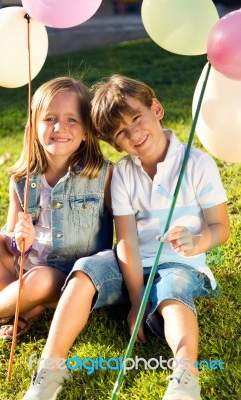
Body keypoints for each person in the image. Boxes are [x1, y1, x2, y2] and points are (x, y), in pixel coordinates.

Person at [90, 74, 230, 400]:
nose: (134, 133)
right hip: (133, 263)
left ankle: (185, 374)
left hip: (180, 262)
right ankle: (49, 369)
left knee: (170, 289)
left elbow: (220, 228)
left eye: (137, 117)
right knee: (86, 269)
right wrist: (137, 301)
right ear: (115, 144)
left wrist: (197, 242)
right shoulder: (123, 173)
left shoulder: (197, 164)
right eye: (121, 132)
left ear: (157, 109)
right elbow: (125, 240)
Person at [0, 76, 123, 349]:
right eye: (49, 118)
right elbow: (11, 241)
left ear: (87, 130)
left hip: (64, 282)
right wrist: (19, 240)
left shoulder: (102, 175)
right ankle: (25, 305)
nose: (59, 127)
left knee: (41, 280)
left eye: (71, 120)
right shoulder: (22, 178)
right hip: (23, 269)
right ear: (33, 127)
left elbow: (124, 231)